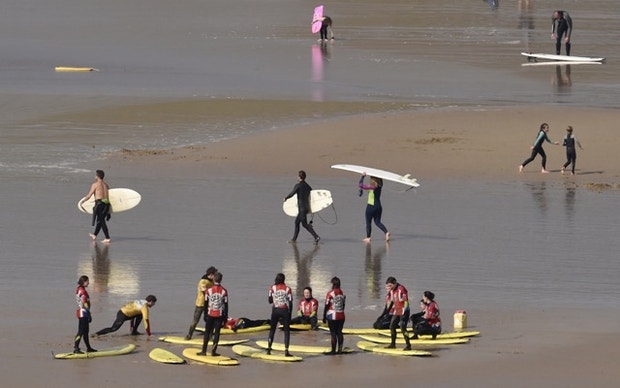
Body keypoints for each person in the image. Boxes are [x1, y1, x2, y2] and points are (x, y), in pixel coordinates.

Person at [284, 170, 320, 244]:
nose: (297, 177)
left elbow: (292, 193)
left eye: (298, 176)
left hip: (302, 209)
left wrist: (286, 198)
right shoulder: (308, 186)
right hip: (307, 208)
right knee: (297, 222)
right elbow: (312, 195)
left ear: (299, 177)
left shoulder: (298, 186)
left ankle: (316, 237)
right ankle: (294, 239)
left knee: (304, 224)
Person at [198, 272, 228, 357]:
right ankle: (213, 352)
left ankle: (203, 351)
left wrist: (205, 315)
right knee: (217, 333)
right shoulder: (224, 291)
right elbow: (226, 305)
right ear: (221, 279)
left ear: (214, 279)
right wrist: (225, 317)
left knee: (207, 332)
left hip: (210, 314)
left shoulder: (209, 290)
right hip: (219, 315)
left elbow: (206, 303)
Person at [185, 266, 218, 340]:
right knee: (195, 321)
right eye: (215, 275)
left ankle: (210, 336)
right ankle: (189, 335)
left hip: (209, 304)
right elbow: (205, 292)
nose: (215, 277)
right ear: (211, 274)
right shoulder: (203, 281)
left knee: (211, 321)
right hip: (200, 304)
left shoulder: (212, 281)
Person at [79, 170, 111, 243]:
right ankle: (95, 235)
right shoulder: (106, 185)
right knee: (100, 220)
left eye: (95, 175)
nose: (95, 176)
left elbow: (89, 195)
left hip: (100, 204)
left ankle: (107, 237)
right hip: (106, 204)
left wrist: (83, 201)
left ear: (98, 176)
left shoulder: (95, 184)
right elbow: (109, 196)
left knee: (102, 221)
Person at [266, 273, 294, 357]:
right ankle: (286, 351)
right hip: (284, 310)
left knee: (272, 330)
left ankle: (269, 349)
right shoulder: (288, 289)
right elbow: (290, 302)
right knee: (286, 331)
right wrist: (290, 313)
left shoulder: (272, 288)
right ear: (284, 280)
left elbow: (270, 301)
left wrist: (276, 298)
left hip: (275, 310)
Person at [359, 173, 390, 243]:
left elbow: (360, 185)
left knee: (368, 222)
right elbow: (380, 181)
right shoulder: (380, 187)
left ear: (372, 180)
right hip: (379, 207)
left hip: (371, 207)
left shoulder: (371, 187)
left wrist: (362, 177)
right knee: (377, 222)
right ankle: (386, 232)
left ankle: (368, 237)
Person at [382, 277, 411, 350]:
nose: (389, 287)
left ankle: (408, 345)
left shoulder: (401, 289)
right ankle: (393, 344)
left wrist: (405, 312)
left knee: (403, 328)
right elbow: (392, 301)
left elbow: (406, 301)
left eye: (390, 285)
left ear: (395, 283)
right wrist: (387, 311)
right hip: (397, 311)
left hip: (404, 311)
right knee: (391, 326)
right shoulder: (392, 290)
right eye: (388, 286)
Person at [73, 275, 97, 354]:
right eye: (87, 281)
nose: (89, 283)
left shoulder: (79, 289)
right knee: (81, 331)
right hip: (83, 313)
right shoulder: (82, 291)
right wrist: (89, 313)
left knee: (86, 331)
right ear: (83, 282)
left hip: (82, 312)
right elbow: (84, 303)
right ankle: (76, 348)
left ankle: (88, 348)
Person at [323, 276, 346, 354]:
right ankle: (340, 350)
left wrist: (324, 316)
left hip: (333, 315)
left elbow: (326, 305)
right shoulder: (343, 293)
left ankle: (333, 350)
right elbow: (343, 305)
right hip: (342, 315)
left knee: (333, 333)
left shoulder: (330, 293)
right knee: (339, 332)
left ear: (333, 284)